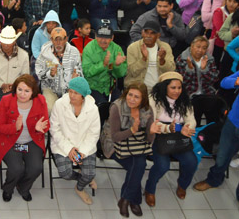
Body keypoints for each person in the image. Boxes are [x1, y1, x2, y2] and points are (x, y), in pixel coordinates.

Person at [100, 82, 155, 217]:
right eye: (130, 95)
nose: (131, 99)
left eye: (137, 97)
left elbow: (148, 140)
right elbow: (115, 137)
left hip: (138, 144)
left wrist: (152, 132)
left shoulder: (148, 110)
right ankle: (134, 200)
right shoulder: (117, 107)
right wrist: (132, 130)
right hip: (114, 144)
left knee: (139, 164)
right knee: (137, 167)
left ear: (143, 100)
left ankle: (125, 199)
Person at [0, 74, 49, 202]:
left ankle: (23, 187)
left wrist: (39, 129)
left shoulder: (40, 101)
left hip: (31, 141)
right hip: (10, 141)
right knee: (16, 169)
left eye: (27, 91)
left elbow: (46, 124)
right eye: (20, 90)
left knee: (36, 168)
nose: (22, 94)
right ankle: (8, 189)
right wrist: (15, 128)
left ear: (33, 92)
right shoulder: (6, 101)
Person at [144, 72, 197, 207]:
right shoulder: (153, 99)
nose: (177, 91)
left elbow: (191, 119)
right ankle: (150, 189)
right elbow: (152, 124)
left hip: (179, 136)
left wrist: (186, 127)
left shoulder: (185, 100)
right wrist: (169, 128)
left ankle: (182, 185)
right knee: (162, 166)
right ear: (164, 87)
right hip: (159, 136)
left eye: (179, 88)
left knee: (191, 162)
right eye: (173, 88)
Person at [50, 77, 99, 204]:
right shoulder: (60, 104)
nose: (71, 95)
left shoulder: (93, 109)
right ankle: (82, 177)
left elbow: (93, 134)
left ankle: (80, 188)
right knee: (65, 173)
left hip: (84, 146)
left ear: (83, 95)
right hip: (63, 145)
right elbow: (54, 129)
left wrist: (81, 152)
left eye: (75, 93)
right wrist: (69, 149)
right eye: (70, 91)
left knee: (89, 173)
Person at [193, 70, 239, 197]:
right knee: (222, 155)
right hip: (232, 122)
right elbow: (224, 82)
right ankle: (214, 180)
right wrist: (236, 81)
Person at [36, 27, 83, 112]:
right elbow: (38, 73)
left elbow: (80, 72)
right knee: (49, 108)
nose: (58, 43)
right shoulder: (44, 53)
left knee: (71, 109)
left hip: (69, 89)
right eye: (55, 40)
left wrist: (76, 77)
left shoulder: (74, 52)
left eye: (61, 39)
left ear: (66, 39)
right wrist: (49, 74)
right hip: (50, 89)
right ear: (51, 40)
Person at [0, 26, 30, 110]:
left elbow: (25, 76)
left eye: (9, 42)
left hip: (17, 88)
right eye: (4, 42)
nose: (6, 45)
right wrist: (1, 84)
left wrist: (15, 85)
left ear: (14, 41)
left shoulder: (24, 55)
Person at [83, 25, 128, 104]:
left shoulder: (117, 49)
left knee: (121, 104)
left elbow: (122, 74)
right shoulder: (88, 49)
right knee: (102, 107)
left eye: (106, 38)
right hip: (93, 87)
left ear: (112, 38)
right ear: (96, 36)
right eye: (100, 37)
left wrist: (117, 65)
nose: (103, 40)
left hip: (110, 87)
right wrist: (103, 65)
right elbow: (87, 72)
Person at [125, 21, 175, 90]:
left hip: (159, 90)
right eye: (146, 32)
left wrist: (162, 61)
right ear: (142, 33)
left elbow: (171, 72)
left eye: (152, 33)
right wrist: (143, 59)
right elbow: (132, 72)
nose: (148, 36)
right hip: (138, 89)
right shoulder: (133, 48)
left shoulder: (165, 47)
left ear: (158, 35)